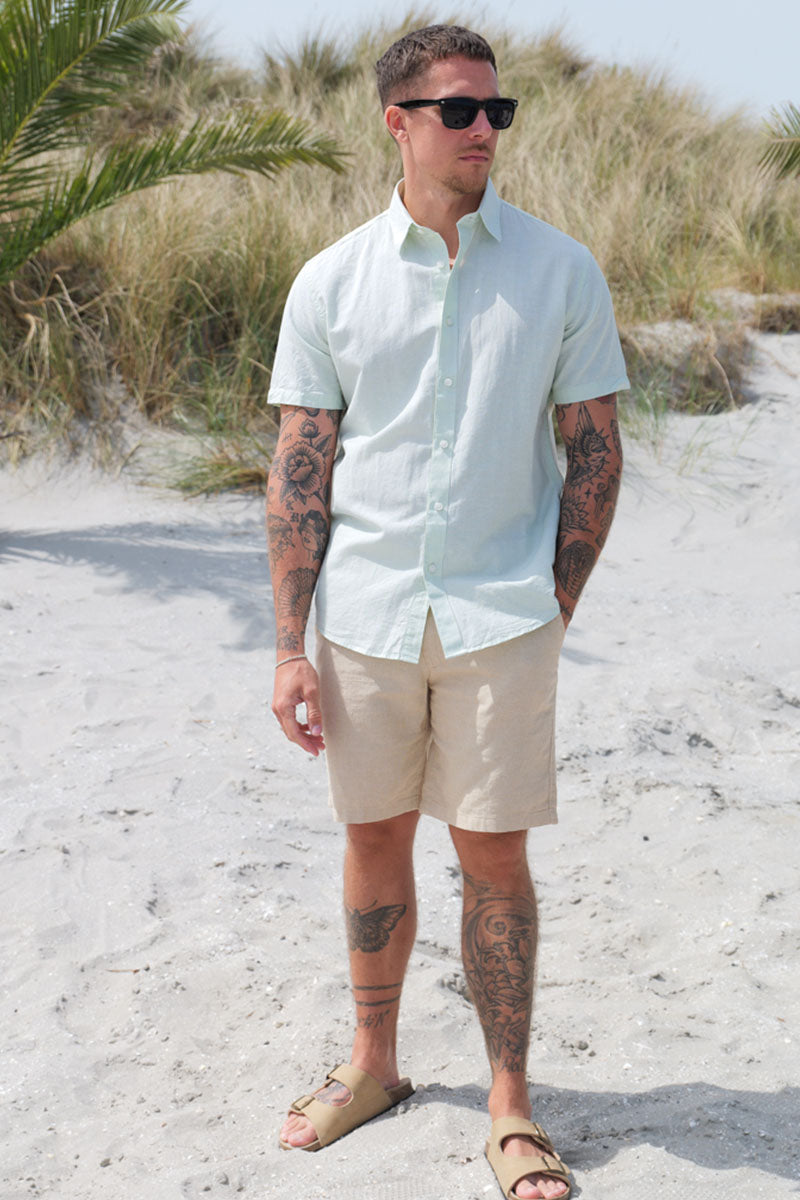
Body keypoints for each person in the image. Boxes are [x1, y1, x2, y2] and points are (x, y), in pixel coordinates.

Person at [266, 24, 627, 1200]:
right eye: (459, 110)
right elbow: (300, 468)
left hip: (502, 620)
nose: (483, 130)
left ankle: (509, 1106)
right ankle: (373, 1064)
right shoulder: (331, 281)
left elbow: (592, 451)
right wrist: (288, 647)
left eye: (496, 111)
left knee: (493, 860)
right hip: (363, 617)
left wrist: (550, 605)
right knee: (372, 839)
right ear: (398, 122)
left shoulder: (559, 271)